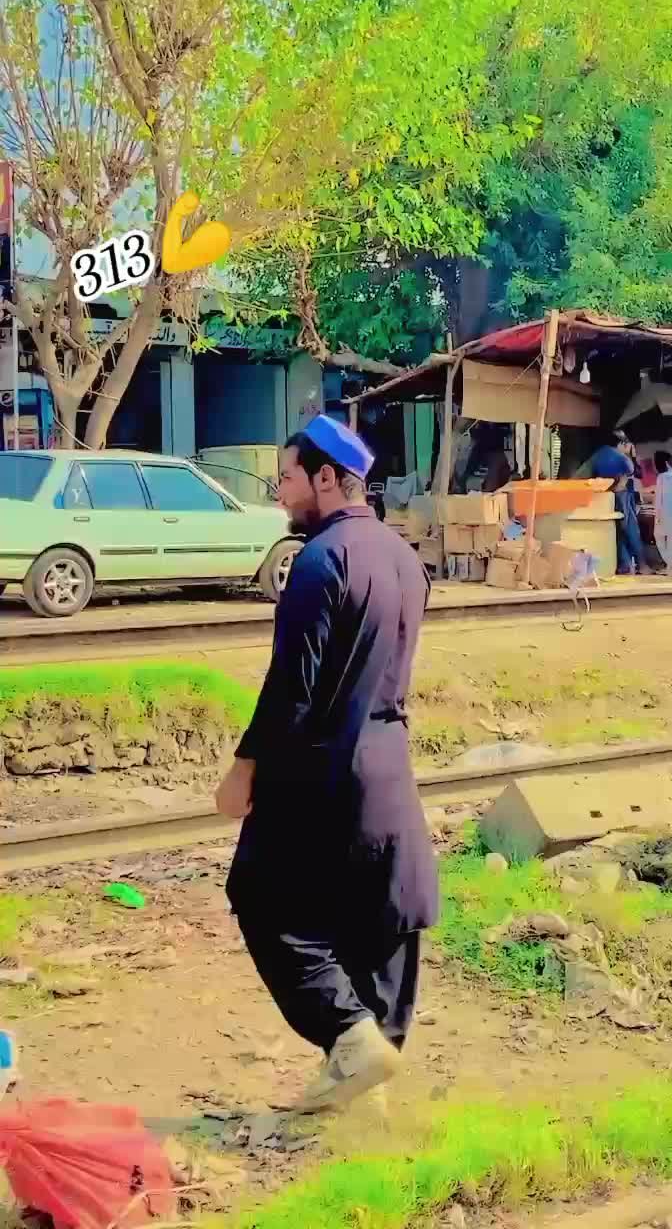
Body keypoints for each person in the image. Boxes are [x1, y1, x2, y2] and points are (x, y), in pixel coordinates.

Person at [216, 414, 439, 1115]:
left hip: (325, 770)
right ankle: (365, 1094)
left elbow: (293, 688)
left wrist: (246, 767)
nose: (280, 493)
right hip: (389, 766)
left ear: (326, 478)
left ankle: (350, 1037)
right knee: (379, 919)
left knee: (262, 897)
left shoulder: (319, 562)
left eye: (287, 478)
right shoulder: (404, 559)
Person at [589, 432, 650, 576]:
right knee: (631, 530)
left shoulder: (598, 454)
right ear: (621, 443)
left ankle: (625, 565)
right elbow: (635, 472)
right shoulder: (622, 458)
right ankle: (642, 566)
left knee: (616, 532)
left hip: (605, 496)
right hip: (623, 495)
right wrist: (632, 456)